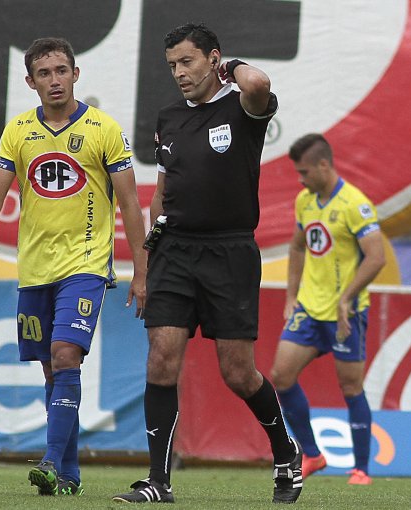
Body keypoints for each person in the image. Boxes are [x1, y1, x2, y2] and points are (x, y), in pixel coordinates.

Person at [112, 23, 302, 504]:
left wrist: (231, 67)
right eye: (172, 64)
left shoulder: (243, 106)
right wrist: (146, 266)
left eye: (187, 62)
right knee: (161, 357)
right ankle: (158, 480)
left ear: (212, 59)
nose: (178, 73)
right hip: (174, 249)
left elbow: (259, 83)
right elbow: (163, 193)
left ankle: (286, 453)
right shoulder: (169, 117)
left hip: (230, 251)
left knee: (238, 373)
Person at [0, 37, 147, 496]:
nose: (54, 80)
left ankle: (48, 459)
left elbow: (131, 205)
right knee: (51, 370)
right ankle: (69, 474)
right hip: (35, 268)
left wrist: (142, 272)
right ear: (30, 82)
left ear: (76, 74)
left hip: (85, 264)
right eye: (44, 73)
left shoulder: (103, 129)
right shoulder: (18, 130)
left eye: (61, 70)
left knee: (65, 355)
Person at [270, 133, 386, 486]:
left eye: (304, 171)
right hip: (309, 308)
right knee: (280, 375)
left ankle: (361, 469)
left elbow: (377, 257)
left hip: (345, 314)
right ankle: (312, 453)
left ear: (324, 165)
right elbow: (297, 248)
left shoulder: (355, 204)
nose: (300, 179)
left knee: (350, 386)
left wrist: (347, 297)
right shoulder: (305, 201)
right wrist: (291, 297)